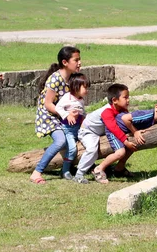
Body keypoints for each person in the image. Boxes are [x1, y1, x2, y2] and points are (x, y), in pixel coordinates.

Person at [30, 46, 81, 184]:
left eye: (79, 59)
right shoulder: (55, 80)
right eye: (76, 60)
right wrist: (66, 115)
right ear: (65, 62)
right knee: (60, 141)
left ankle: (69, 169)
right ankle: (37, 172)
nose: (79, 63)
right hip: (48, 116)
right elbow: (48, 104)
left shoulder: (72, 78)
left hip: (62, 115)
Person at [75, 83, 131, 184]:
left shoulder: (122, 109)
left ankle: (117, 168)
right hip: (88, 132)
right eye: (125, 97)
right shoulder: (107, 111)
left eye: (128, 97)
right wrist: (125, 141)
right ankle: (79, 173)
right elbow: (113, 127)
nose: (128, 100)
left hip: (100, 132)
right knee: (92, 149)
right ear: (114, 100)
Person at [109, 96, 157, 177]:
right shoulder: (147, 115)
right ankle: (100, 169)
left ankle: (119, 168)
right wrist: (135, 132)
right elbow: (125, 118)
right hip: (116, 126)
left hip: (126, 130)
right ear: (156, 107)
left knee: (135, 145)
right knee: (120, 152)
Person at [54, 72, 90, 181]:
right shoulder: (67, 97)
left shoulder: (81, 100)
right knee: (73, 149)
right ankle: (65, 170)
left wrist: (85, 119)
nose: (87, 90)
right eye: (85, 87)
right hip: (68, 130)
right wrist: (67, 115)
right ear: (76, 87)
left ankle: (85, 167)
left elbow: (82, 112)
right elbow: (58, 108)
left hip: (78, 129)